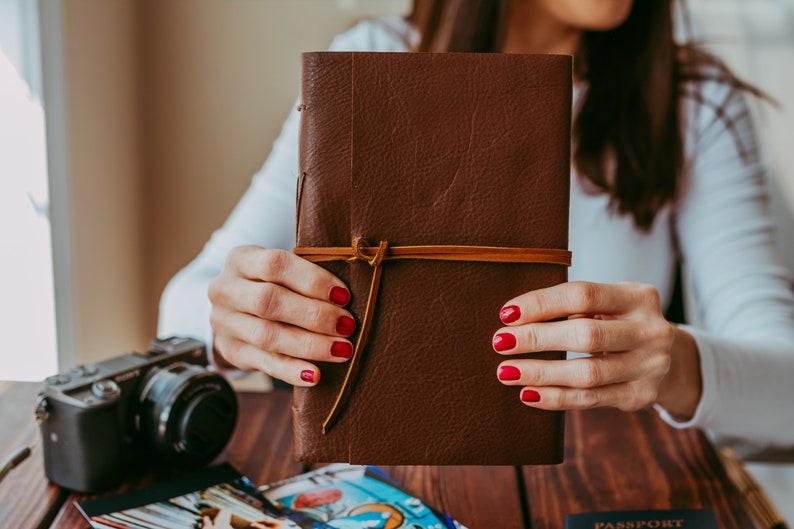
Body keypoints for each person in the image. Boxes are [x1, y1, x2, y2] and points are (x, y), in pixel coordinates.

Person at [159, 0, 794, 454]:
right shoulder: (371, 62)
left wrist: (676, 365)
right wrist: (236, 318)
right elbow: (181, 309)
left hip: (594, 477)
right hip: (376, 475)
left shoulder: (691, 99)